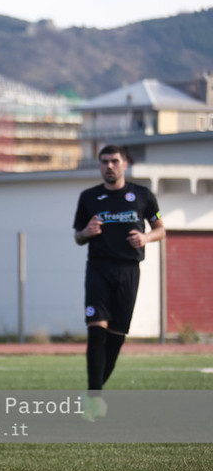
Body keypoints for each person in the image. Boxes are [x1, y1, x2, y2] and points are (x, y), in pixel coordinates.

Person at [73, 144, 164, 420]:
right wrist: (87, 232)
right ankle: (94, 400)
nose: (109, 166)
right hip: (98, 270)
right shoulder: (89, 197)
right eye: (104, 162)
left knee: (115, 339)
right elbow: (77, 236)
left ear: (125, 163)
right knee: (96, 331)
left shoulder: (143, 196)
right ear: (100, 165)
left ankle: (92, 393)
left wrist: (146, 237)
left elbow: (160, 229)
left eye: (114, 161)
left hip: (128, 271)